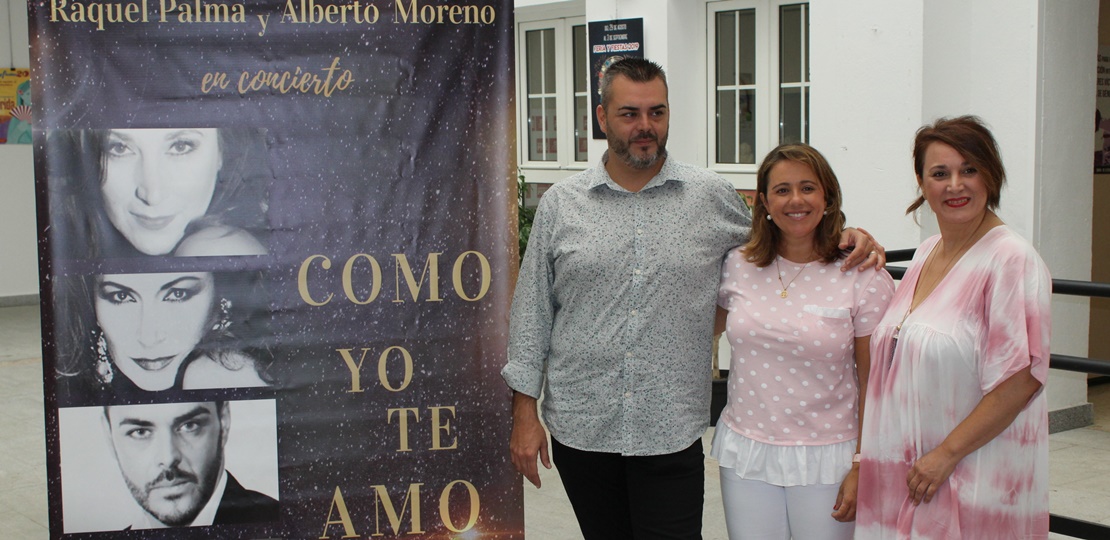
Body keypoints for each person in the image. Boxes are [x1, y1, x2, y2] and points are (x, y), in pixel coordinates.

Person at [502, 57, 884, 539]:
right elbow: (533, 311)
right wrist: (523, 412)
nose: (646, 126)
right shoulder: (561, 204)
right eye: (630, 114)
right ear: (602, 118)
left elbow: (788, 229)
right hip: (583, 425)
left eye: (657, 112)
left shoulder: (711, 197)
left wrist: (845, 234)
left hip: (671, 430)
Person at [856, 116, 1051, 538]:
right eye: (940, 174)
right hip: (911, 475)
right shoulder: (928, 252)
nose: (955, 185)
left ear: (991, 176)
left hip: (969, 474)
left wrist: (946, 454)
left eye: (969, 170)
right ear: (923, 185)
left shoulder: (1010, 260)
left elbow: (1022, 378)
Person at [712, 143, 893, 540]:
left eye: (808, 188)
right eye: (782, 190)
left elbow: (876, 381)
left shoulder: (861, 275)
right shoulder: (738, 264)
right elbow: (699, 327)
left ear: (827, 196)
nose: (796, 200)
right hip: (747, 452)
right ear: (763, 202)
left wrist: (863, 463)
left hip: (829, 457)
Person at [47, 127, 270, 259]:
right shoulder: (70, 246)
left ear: (222, 151)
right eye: (119, 148)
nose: (152, 194)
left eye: (181, 146)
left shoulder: (219, 248)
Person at [54, 270, 271, 405]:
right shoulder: (68, 390)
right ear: (91, 304)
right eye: (122, 297)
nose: (149, 337)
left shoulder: (231, 374)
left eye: (178, 294)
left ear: (220, 298)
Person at [102, 401, 279, 528]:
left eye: (189, 426)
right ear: (109, 437)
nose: (168, 457)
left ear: (223, 422)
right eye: (139, 432)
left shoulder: (281, 521)